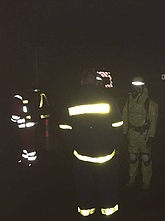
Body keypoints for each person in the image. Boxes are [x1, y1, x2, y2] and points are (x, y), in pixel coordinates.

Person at [58, 68, 123, 220]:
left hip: (81, 158)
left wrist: (73, 148)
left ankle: (86, 216)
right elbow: (118, 126)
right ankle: (109, 216)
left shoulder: (71, 102)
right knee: (108, 190)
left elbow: (64, 128)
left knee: (84, 191)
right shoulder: (108, 101)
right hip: (106, 157)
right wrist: (116, 146)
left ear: (81, 83)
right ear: (95, 82)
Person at [122, 76, 158, 190]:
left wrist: (151, 136)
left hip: (145, 134)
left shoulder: (150, 104)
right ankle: (132, 178)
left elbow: (153, 121)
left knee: (145, 158)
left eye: (138, 87)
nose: (135, 89)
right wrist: (124, 133)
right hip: (132, 133)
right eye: (134, 86)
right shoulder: (128, 102)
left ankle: (146, 181)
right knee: (132, 157)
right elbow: (125, 118)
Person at [10, 87, 50, 167]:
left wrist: (12, 121)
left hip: (23, 125)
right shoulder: (33, 94)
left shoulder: (17, 97)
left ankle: (30, 163)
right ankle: (27, 161)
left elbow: (16, 113)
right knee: (29, 143)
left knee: (27, 144)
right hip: (32, 123)